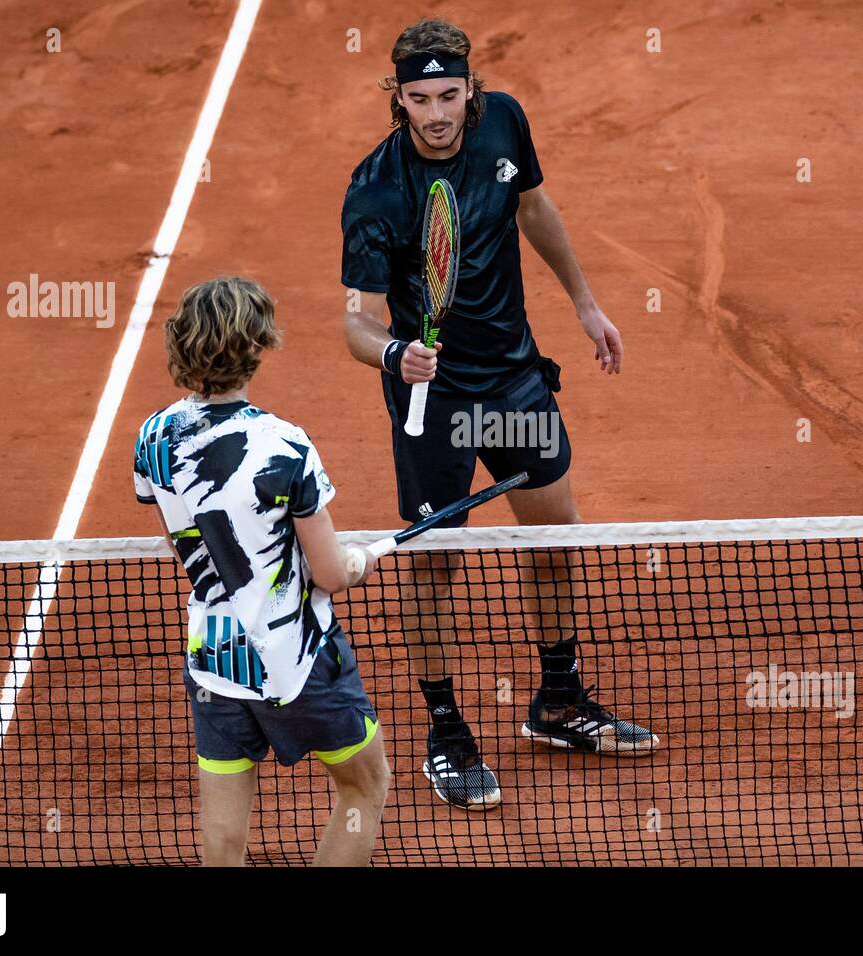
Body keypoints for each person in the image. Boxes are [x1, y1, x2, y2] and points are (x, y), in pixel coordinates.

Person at [340, 19, 659, 811]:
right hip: (434, 403)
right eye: (420, 98)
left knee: (554, 538)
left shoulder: (506, 120)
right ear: (399, 98)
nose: (438, 112)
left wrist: (584, 305)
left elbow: (535, 207)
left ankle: (556, 700)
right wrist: (393, 355)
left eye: (450, 94)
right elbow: (358, 321)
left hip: (515, 384)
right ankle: (446, 730)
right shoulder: (377, 188)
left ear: (471, 88)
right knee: (435, 564)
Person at [134, 276, 389, 864]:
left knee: (223, 838)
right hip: (297, 663)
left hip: (213, 663)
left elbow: (189, 549)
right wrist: (361, 561)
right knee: (365, 784)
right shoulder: (284, 446)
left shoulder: (152, 439)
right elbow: (329, 573)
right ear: (256, 346)